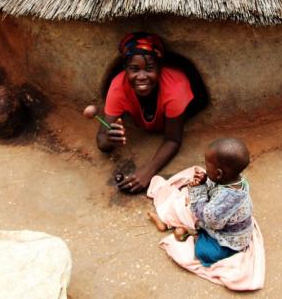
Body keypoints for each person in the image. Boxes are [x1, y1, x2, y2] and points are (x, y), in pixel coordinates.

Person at [97, 32, 194, 193]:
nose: (141, 77)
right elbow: (101, 140)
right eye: (134, 69)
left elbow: (173, 139)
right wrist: (108, 139)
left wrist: (148, 171)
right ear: (125, 70)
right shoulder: (118, 86)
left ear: (160, 68)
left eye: (149, 68)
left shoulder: (176, 87)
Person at [149, 138, 253, 267]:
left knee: (204, 252)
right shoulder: (236, 181)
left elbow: (207, 217)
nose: (205, 168)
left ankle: (191, 235)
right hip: (219, 222)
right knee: (187, 205)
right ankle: (176, 226)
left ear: (219, 173)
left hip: (228, 240)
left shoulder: (226, 199)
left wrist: (198, 189)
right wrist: (204, 181)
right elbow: (214, 188)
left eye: (207, 166)